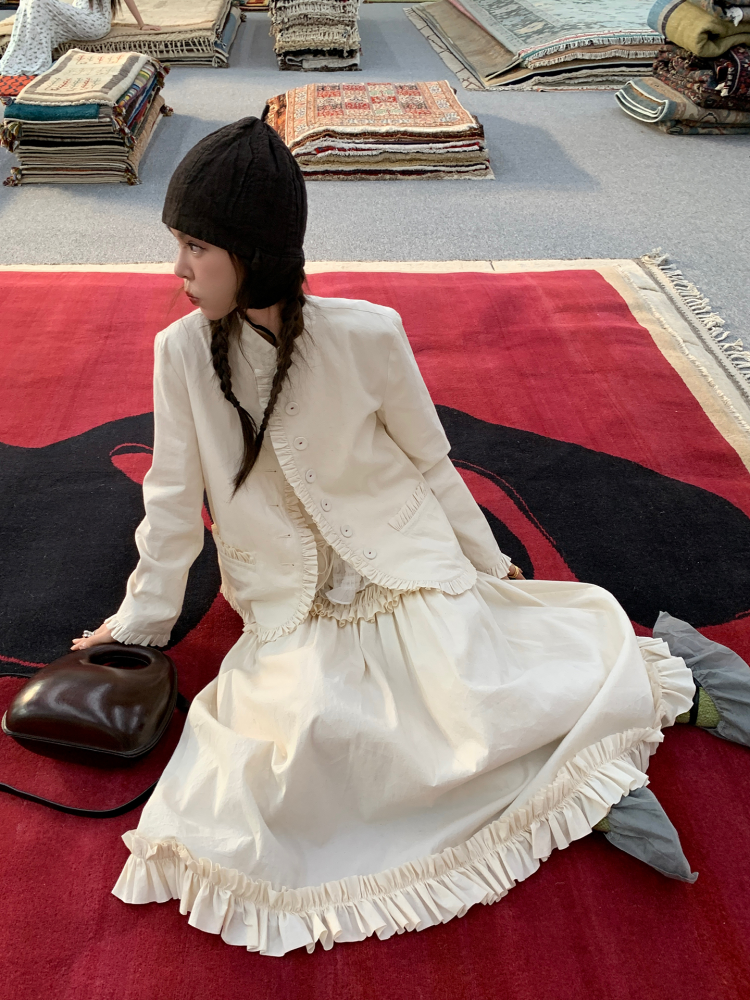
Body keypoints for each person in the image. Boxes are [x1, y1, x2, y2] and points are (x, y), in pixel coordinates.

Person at [72, 118, 698, 957]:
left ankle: (606, 777)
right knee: (304, 740)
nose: (177, 268)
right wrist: (140, 624)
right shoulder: (180, 353)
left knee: (477, 685)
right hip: (289, 602)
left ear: (252, 252)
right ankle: (583, 788)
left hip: (403, 561)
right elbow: (173, 503)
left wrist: (485, 564)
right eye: (178, 244)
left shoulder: (369, 333)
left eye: (194, 247)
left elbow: (433, 464)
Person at [0, 0, 160, 78]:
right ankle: (21, 57)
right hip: (80, 16)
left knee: (37, 1)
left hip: (94, 23)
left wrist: (142, 24)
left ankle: (33, 63)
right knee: (30, 1)